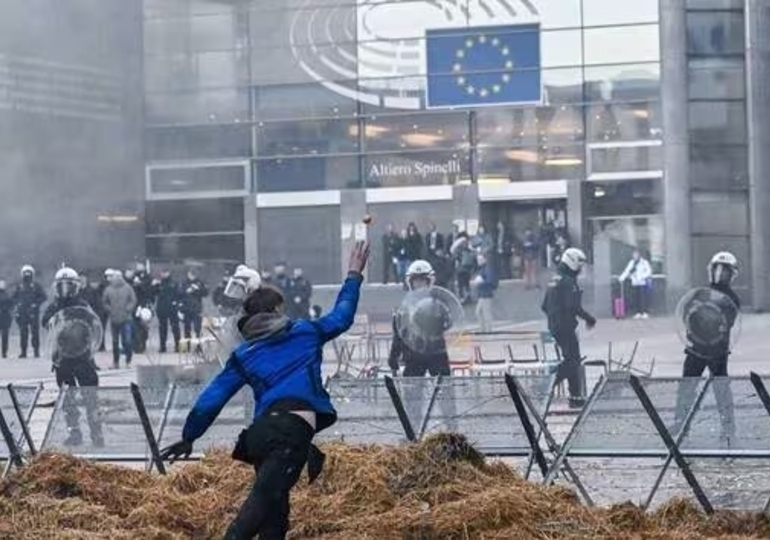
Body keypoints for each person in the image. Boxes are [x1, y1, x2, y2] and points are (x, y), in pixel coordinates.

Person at [160, 241, 371, 540]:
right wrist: (353, 275)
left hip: (260, 435)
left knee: (275, 514)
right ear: (275, 310)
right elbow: (343, 315)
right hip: (291, 431)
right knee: (258, 506)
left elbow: (212, 399)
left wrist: (189, 436)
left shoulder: (244, 355)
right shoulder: (306, 332)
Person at [673, 251, 740, 442]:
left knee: (721, 390)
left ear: (731, 273)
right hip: (697, 347)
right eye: (717, 269)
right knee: (687, 386)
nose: (720, 274)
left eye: (724, 270)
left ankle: (728, 428)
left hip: (717, 350)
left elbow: (726, 322)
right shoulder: (701, 292)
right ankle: (681, 423)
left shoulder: (731, 298)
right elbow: (688, 314)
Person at [41, 267, 103, 447]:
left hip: (83, 358)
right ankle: (74, 433)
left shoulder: (83, 305)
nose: (65, 290)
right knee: (68, 400)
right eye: (61, 286)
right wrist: (55, 316)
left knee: (91, 398)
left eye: (69, 285)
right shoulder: (54, 306)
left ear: (76, 286)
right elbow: (45, 322)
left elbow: (94, 324)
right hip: (62, 359)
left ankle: (96, 434)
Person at [541, 248, 596, 409]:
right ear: (572, 262)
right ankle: (547, 384)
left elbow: (544, 305)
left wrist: (554, 318)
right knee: (572, 362)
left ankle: (576, 398)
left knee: (572, 359)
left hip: (555, 326)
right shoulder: (567, 281)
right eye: (579, 265)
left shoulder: (554, 279)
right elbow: (573, 306)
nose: (580, 269)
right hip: (565, 326)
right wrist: (589, 319)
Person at [388, 260, 452, 378]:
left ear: (429, 282)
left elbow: (449, 324)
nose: (419, 285)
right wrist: (394, 357)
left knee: (444, 390)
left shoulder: (438, 303)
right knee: (411, 391)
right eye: (416, 281)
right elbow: (398, 334)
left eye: (422, 281)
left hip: (436, 353)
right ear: (410, 283)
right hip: (413, 355)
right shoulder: (404, 307)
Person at [102, 269, 137, 369]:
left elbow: (133, 300)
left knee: (127, 341)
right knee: (115, 342)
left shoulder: (128, 288)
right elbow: (104, 302)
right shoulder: (108, 289)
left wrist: (128, 309)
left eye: (118, 276)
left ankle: (128, 360)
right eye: (115, 276)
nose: (116, 278)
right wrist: (110, 310)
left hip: (126, 319)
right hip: (114, 319)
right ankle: (115, 362)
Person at [13, 265, 47, 358]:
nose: (27, 274)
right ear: (22, 274)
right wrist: (18, 304)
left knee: (35, 333)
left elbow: (44, 297)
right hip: (22, 312)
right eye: (25, 272)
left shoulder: (36, 285)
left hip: (33, 312)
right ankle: (23, 351)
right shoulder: (19, 286)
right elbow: (14, 298)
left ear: (32, 274)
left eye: (29, 272)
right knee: (23, 333)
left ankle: (36, 351)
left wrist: (36, 304)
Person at [619, 249, 653, 319]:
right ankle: (638, 312)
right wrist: (622, 278)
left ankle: (644, 312)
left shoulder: (644, 262)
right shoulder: (631, 263)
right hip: (634, 282)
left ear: (639, 255)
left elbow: (649, 271)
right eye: (634, 255)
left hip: (642, 283)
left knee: (643, 298)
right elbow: (627, 271)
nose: (635, 256)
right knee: (636, 298)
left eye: (636, 254)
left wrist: (642, 277)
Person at [154, 270, 181, 354]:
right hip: (162, 308)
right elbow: (153, 293)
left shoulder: (173, 283)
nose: (163, 274)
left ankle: (177, 345)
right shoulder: (158, 283)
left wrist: (176, 303)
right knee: (162, 328)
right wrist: (154, 286)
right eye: (162, 272)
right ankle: (162, 346)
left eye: (165, 272)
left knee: (175, 327)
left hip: (172, 308)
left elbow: (178, 294)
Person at [81, 274, 108, 352]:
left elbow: (98, 304)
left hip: (94, 314)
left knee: (96, 331)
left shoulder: (92, 291)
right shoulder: (78, 291)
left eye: (83, 278)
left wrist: (97, 314)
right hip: (83, 314)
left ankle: (100, 346)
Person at [472, 253, 497, 332]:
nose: (478, 261)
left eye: (480, 259)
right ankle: (483, 329)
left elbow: (490, 281)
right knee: (479, 312)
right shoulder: (482, 269)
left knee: (485, 313)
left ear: (485, 259)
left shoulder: (488, 269)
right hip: (482, 294)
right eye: (478, 259)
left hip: (486, 294)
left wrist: (479, 283)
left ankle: (488, 329)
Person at [0, 280, 14, 358]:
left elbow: (11, 305)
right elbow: (11, 305)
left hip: (5, 317)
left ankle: (4, 352)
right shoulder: (7, 295)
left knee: (5, 336)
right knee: (5, 336)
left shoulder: (7, 295)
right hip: (5, 317)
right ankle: (4, 352)